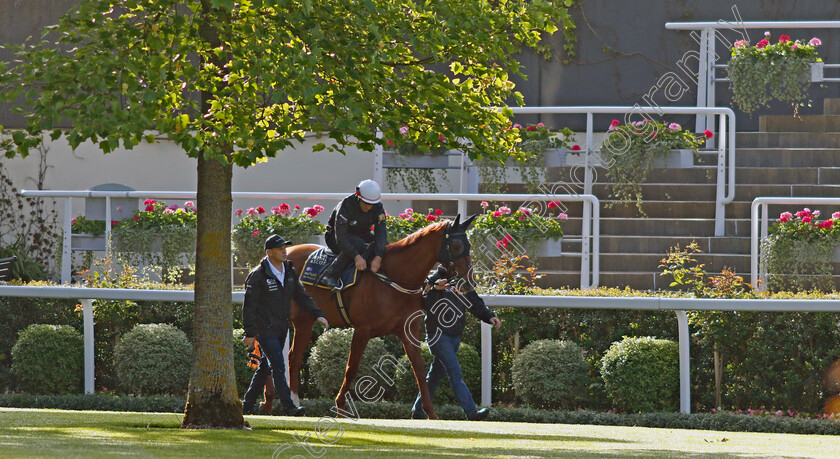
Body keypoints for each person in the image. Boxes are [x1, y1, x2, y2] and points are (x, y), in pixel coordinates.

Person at [242, 234, 329, 416]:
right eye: (280, 248)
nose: (284, 251)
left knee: (265, 367)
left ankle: (246, 405)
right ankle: (289, 408)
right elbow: (249, 306)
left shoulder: (289, 272)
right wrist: (250, 333)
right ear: (269, 252)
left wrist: (318, 314)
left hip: (282, 328)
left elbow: (302, 296)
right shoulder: (258, 275)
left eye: (285, 247)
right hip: (265, 330)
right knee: (278, 366)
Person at [411, 265, 501, 421]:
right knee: (455, 373)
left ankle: (418, 410)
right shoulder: (433, 280)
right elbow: (426, 305)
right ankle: (471, 412)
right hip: (438, 336)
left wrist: (489, 316)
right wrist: (436, 290)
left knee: (434, 377)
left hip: (454, 337)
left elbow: (474, 301)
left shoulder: (462, 280)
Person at [320, 179, 387, 289]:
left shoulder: (378, 207)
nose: (369, 207)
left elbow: (381, 233)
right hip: (336, 236)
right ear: (358, 195)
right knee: (358, 244)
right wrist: (357, 257)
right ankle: (330, 274)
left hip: (361, 234)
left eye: (372, 204)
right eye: (366, 203)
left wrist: (379, 257)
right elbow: (340, 237)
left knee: (385, 245)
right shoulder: (346, 205)